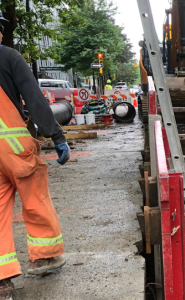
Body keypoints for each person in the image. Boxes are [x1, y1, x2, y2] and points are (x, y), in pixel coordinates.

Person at [0, 12, 69, 300]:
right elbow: (34, 98)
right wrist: (57, 135)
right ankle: (44, 257)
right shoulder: (9, 57)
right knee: (34, 194)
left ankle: (2, 282)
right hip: (12, 145)